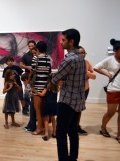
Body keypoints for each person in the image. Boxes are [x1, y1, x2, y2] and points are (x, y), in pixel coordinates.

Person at [52, 28, 86, 161]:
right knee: (73, 132)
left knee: (61, 134)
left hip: (67, 101)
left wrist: (59, 79)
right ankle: (73, 158)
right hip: (77, 101)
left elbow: (55, 79)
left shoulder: (69, 60)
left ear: (71, 42)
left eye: (64, 40)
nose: (61, 42)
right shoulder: (81, 58)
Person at [94, 38, 120, 144]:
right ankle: (103, 127)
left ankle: (119, 135)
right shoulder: (110, 59)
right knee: (111, 112)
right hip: (113, 89)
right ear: (116, 50)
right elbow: (96, 67)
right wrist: (107, 74)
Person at [30, 41, 51, 135]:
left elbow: (33, 70)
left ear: (37, 49)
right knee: (43, 108)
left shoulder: (35, 58)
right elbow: (48, 72)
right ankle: (43, 126)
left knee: (37, 108)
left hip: (37, 86)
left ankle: (40, 128)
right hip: (45, 86)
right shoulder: (48, 58)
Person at [77, 46, 96, 135]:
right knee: (72, 108)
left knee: (80, 108)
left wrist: (86, 72)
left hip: (85, 89)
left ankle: (77, 125)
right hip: (74, 89)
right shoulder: (73, 62)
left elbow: (94, 76)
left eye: (84, 52)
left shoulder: (87, 63)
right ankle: (71, 125)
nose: (82, 54)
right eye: (80, 52)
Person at [35, 74, 58, 141]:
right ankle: (54, 133)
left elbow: (42, 94)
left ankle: (46, 134)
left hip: (47, 103)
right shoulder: (56, 86)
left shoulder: (47, 86)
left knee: (46, 120)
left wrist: (36, 91)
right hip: (54, 104)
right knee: (53, 118)